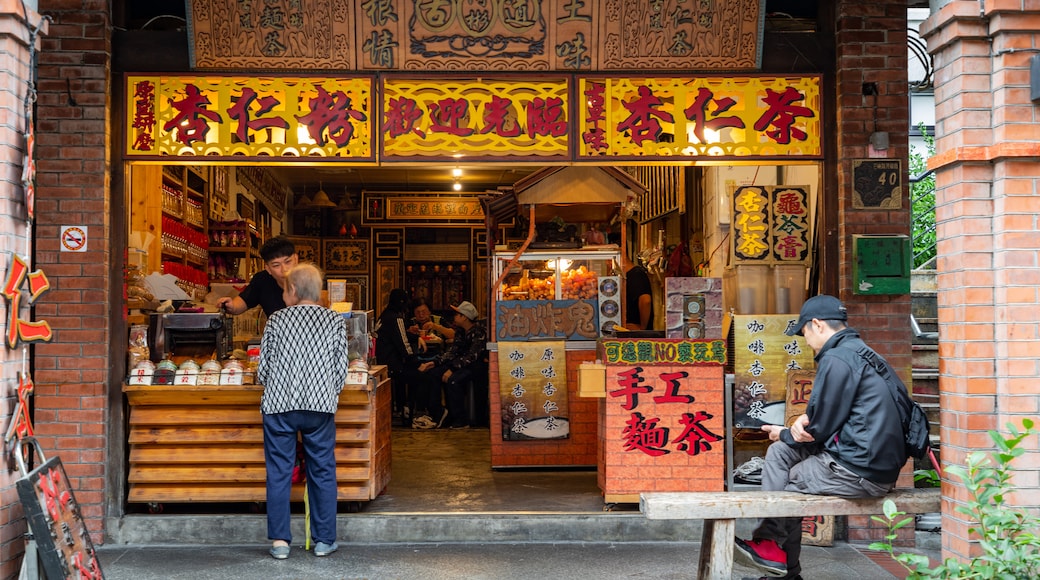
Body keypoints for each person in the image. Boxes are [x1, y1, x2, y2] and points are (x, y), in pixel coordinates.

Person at [733, 295, 910, 580]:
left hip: (860, 470)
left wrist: (787, 433)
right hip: (867, 458)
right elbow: (831, 415)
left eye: (804, 332)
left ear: (817, 325)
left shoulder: (837, 357)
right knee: (779, 454)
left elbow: (819, 429)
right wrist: (800, 427)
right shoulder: (861, 352)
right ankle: (771, 548)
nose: (805, 340)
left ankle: (779, 559)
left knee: (791, 484)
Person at [255, 263, 349, 560]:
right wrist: (323, 391)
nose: (283, 294)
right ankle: (324, 541)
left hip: (280, 406)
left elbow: (263, 371)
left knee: (279, 471)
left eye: (284, 289)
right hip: (319, 407)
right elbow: (340, 372)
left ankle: (281, 542)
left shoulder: (276, 321)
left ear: (293, 290)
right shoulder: (334, 321)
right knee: (322, 470)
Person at [376, 289, 444, 429]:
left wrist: (416, 337)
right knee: (424, 376)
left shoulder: (384, 315)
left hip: (383, 363)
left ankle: (405, 409)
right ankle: (417, 413)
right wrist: (417, 363)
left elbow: (400, 337)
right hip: (393, 365)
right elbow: (404, 345)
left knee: (416, 375)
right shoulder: (396, 317)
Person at [418, 300, 488, 429]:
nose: (454, 317)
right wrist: (434, 363)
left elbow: (472, 356)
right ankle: (439, 413)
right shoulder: (461, 331)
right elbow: (453, 351)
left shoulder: (479, 332)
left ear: (465, 317)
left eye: (457, 314)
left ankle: (461, 419)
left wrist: (452, 369)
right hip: (458, 363)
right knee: (433, 374)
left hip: (474, 367)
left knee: (453, 380)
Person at [218, 236, 298, 316]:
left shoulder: (309, 278)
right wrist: (231, 306)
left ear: (296, 259)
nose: (284, 269)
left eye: (288, 262)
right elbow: (242, 302)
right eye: (276, 265)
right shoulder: (262, 280)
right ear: (268, 269)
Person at [622, 253, 653, 330]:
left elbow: (646, 301)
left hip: (638, 337)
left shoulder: (636, 275)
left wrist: (642, 328)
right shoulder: (625, 276)